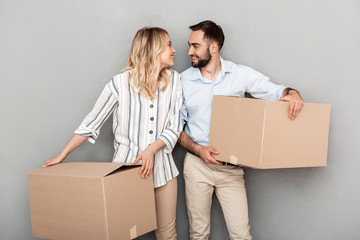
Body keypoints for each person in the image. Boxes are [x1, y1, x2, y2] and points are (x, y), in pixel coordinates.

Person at [43, 27, 182, 240]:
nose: (174, 50)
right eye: (169, 45)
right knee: (122, 234)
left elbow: (175, 125)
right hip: (125, 173)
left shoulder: (175, 81)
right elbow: (91, 122)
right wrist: (62, 155)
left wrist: (151, 149)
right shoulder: (119, 84)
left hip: (164, 174)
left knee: (167, 234)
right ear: (153, 49)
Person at [178, 20, 304, 240]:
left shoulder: (240, 74)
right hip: (197, 166)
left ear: (214, 47)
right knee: (198, 234)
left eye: (195, 46)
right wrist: (198, 150)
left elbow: (275, 91)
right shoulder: (182, 81)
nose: (190, 52)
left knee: (241, 235)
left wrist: (293, 93)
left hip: (231, 170)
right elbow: (175, 129)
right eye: (190, 45)